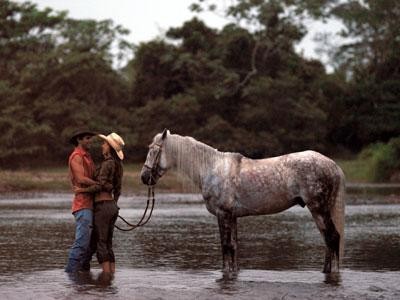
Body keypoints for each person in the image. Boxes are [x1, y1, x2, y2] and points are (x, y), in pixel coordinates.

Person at [74, 132, 124, 274]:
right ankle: (111, 277)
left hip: (102, 207)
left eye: (104, 143)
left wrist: (81, 190)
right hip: (111, 206)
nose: (102, 145)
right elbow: (118, 189)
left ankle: (106, 279)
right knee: (108, 243)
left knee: (101, 242)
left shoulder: (107, 164)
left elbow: (100, 185)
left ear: (109, 147)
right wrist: (113, 205)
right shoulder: (118, 165)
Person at [65, 129, 98, 273]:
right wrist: (100, 186)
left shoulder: (88, 157)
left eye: (91, 138)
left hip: (90, 204)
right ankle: (71, 275)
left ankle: (83, 278)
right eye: (87, 138)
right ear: (79, 140)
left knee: (91, 245)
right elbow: (80, 179)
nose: (90, 140)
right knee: (82, 243)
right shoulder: (76, 156)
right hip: (82, 204)